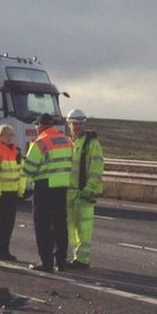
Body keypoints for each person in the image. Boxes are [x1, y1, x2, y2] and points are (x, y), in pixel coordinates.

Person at [23, 113, 73, 272]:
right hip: (62, 186)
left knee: (43, 226)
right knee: (60, 224)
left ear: (40, 126)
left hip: (44, 187)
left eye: (37, 125)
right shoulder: (67, 140)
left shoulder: (40, 143)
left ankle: (47, 262)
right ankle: (61, 261)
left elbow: (28, 169)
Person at [65, 109, 104, 269]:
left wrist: (89, 188)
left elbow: (96, 168)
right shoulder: (68, 142)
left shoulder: (91, 143)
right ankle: (77, 256)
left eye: (80, 124)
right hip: (69, 191)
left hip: (84, 192)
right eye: (74, 123)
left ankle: (82, 259)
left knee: (84, 227)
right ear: (69, 124)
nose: (77, 127)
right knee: (71, 227)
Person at [0, 124, 27, 261]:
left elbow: (21, 172)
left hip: (12, 193)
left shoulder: (16, 151)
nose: (9, 137)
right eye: (6, 134)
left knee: (8, 224)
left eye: (11, 135)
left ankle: (4, 250)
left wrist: (21, 191)